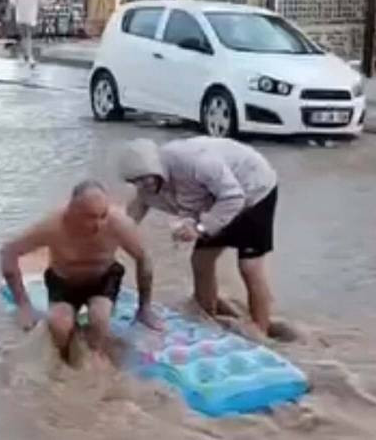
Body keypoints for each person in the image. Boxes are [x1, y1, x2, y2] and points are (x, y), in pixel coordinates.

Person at [118, 137, 284, 339]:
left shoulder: (197, 163)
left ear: (157, 168)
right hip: (214, 202)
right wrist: (110, 240)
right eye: (136, 181)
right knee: (200, 260)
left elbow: (233, 197)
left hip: (252, 190)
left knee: (249, 265)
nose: (143, 185)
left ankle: (261, 327)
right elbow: (129, 218)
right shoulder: (145, 188)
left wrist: (200, 227)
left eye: (146, 179)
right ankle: (206, 311)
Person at [0, 180, 159, 361]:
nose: (98, 224)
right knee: (60, 326)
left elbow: (143, 257)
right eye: (90, 217)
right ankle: (64, 360)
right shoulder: (51, 226)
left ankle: (96, 358)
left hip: (103, 279)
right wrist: (23, 305)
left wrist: (145, 307)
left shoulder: (119, 224)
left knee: (99, 319)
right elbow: (8, 252)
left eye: (103, 215)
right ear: (72, 211)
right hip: (63, 281)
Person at [8, 0, 44, 68]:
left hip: (31, 15)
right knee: (25, 35)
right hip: (20, 15)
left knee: (28, 36)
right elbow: (12, 1)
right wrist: (10, 11)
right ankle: (28, 55)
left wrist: (42, 8)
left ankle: (28, 55)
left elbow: (41, 0)